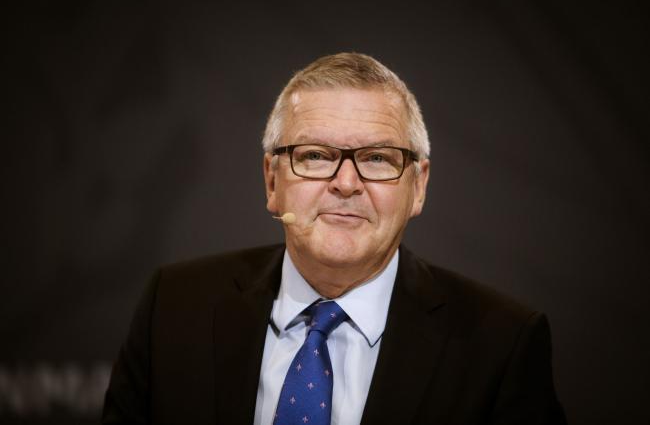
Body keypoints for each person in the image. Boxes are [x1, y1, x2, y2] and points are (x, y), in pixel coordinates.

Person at [103, 52, 566, 425]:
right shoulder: (174, 308)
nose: (346, 183)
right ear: (271, 180)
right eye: (316, 155)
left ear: (418, 186)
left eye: (379, 158)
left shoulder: (502, 344)